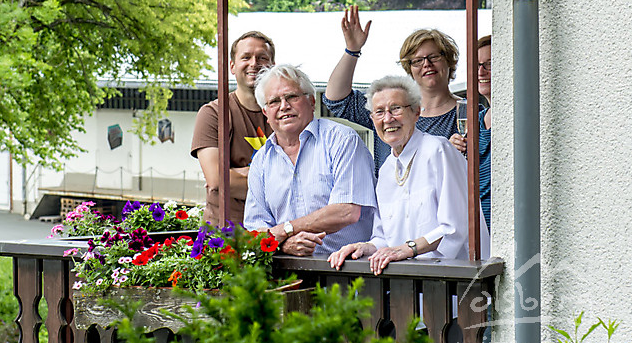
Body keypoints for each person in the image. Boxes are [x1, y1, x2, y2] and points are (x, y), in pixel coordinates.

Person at [328, 76, 489, 274]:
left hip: (455, 280)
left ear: (416, 112)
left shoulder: (439, 151)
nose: (388, 119)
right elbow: (384, 237)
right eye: (379, 112)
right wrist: (363, 247)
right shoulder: (386, 170)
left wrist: (409, 248)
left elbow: (456, 227)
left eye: (396, 108)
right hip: (407, 283)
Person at [243, 64, 378, 256]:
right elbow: (255, 231)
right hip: (287, 268)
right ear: (266, 113)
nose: (284, 106)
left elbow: (347, 211)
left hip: (349, 267)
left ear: (312, 101)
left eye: (292, 97)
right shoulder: (261, 161)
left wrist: (285, 230)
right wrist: (284, 245)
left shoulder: (342, 140)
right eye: (274, 101)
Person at [323, 6, 461, 171]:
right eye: (417, 61)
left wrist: (454, 154)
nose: (427, 64)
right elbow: (336, 100)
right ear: (409, 68)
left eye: (434, 57)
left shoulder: (467, 114)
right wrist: (352, 50)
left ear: (449, 60)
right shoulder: (389, 109)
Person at [191, 31, 275, 226]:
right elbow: (217, 181)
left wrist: (241, 173)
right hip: (225, 232)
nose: (254, 63)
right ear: (232, 66)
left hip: (275, 231)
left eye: (262, 58)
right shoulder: (214, 113)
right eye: (246, 57)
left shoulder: (284, 113)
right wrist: (275, 181)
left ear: (272, 66)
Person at [449, 35, 491, 230]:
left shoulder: (517, 118)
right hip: (477, 228)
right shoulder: (475, 121)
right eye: (477, 65)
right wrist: (454, 153)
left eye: (489, 64)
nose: (481, 71)